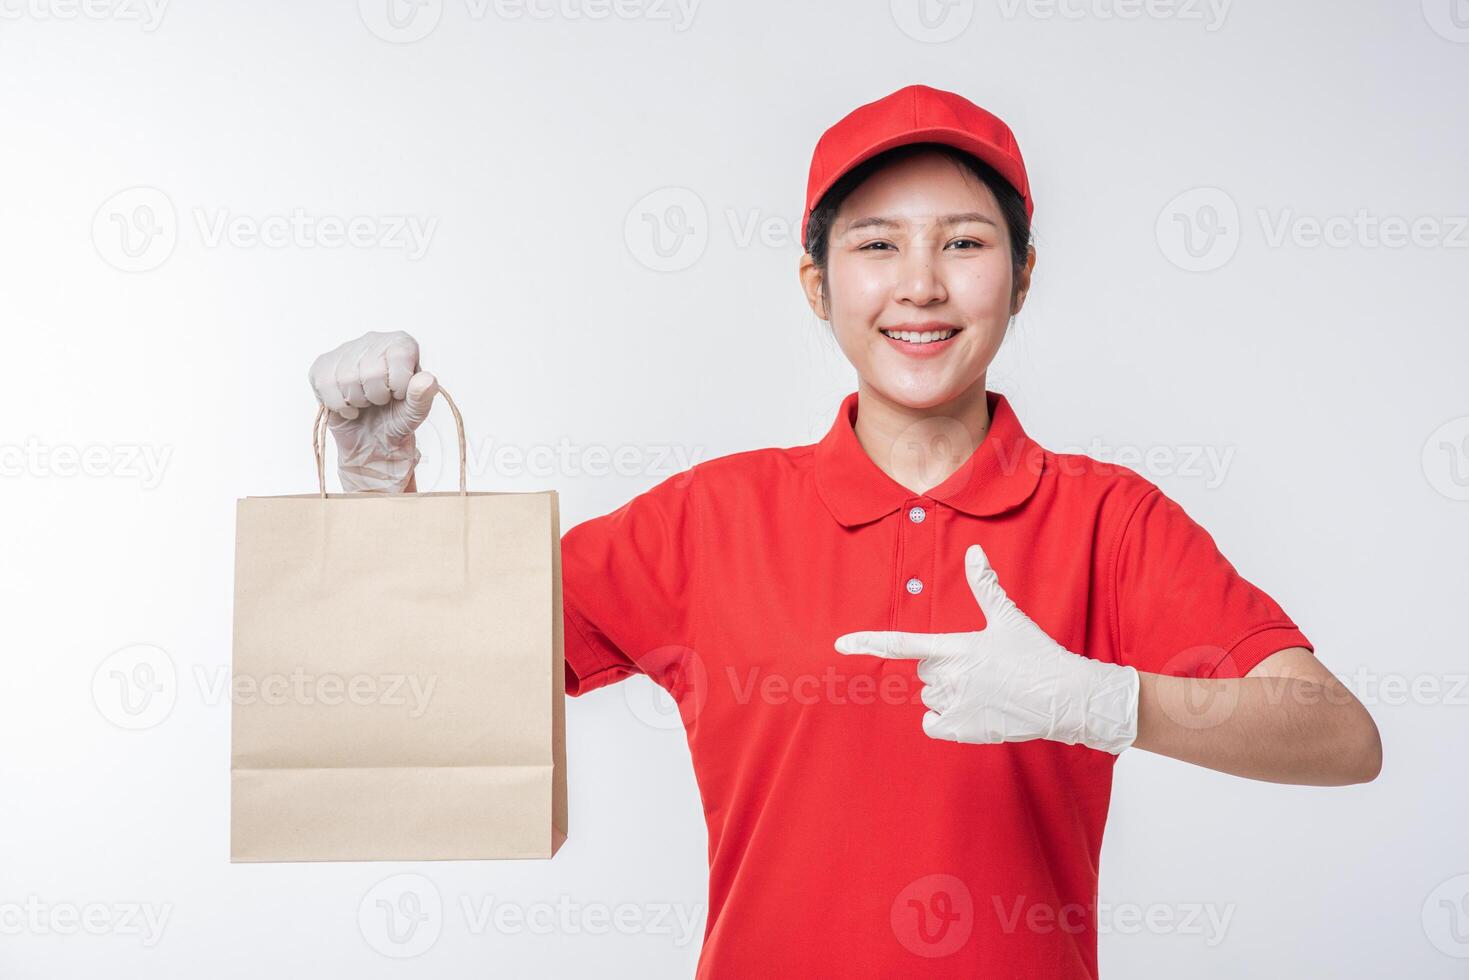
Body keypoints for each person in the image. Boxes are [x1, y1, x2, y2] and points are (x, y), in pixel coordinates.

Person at [307, 84, 1381, 979]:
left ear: (1023, 274)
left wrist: (1100, 699)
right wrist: (377, 502)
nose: (919, 283)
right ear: (817, 284)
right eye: (876, 245)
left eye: (963, 242)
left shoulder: (1106, 517)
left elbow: (1338, 735)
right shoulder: (706, 520)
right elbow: (432, 679)